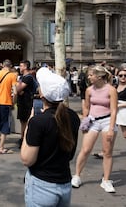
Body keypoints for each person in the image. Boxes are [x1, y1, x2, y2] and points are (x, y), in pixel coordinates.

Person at [21, 67, 80, 207]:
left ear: (42, 94)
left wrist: (29, 126)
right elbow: (70, 153)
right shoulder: (72, 116)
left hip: (42, 185)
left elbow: (27, 159)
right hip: (64, 182)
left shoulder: (38, 121)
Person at [71, 65, 118, 193]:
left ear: (99, 76)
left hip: (107, 120)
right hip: (92, 121)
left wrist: (111, 129)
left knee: (107, 152)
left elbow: (114, 110)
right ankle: (77, 176)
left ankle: (106, 180)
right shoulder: (89, 90)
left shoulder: (111, 90)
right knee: (85, 149)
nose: (89, 77)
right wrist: (85, 121)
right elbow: (86, 106)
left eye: (91, 75)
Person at [0, 59, 17, 153]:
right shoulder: (12, 76)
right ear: (11, 66)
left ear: (3, 65)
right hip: (6, 102)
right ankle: (1, 147)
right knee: (5, 123)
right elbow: (15, 91)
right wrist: (13, 101)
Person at [16, 60, 35, 148]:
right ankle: (22, 137)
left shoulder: (28, 78)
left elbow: (18, 89)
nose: (20, 68)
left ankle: (25, 139)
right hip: (21, 102)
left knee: (26, 121)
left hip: (26, 102)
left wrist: (18, 87)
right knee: (22, 121)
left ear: (25, 67)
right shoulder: (22, 77)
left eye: (21, 66)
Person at [116, 64, 126, 138]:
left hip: (124, 111)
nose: (123, 77)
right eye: (121, 75)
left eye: (125, 75)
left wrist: (119, 105)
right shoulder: (115, 86)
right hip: (116, 112)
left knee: (125, 134)